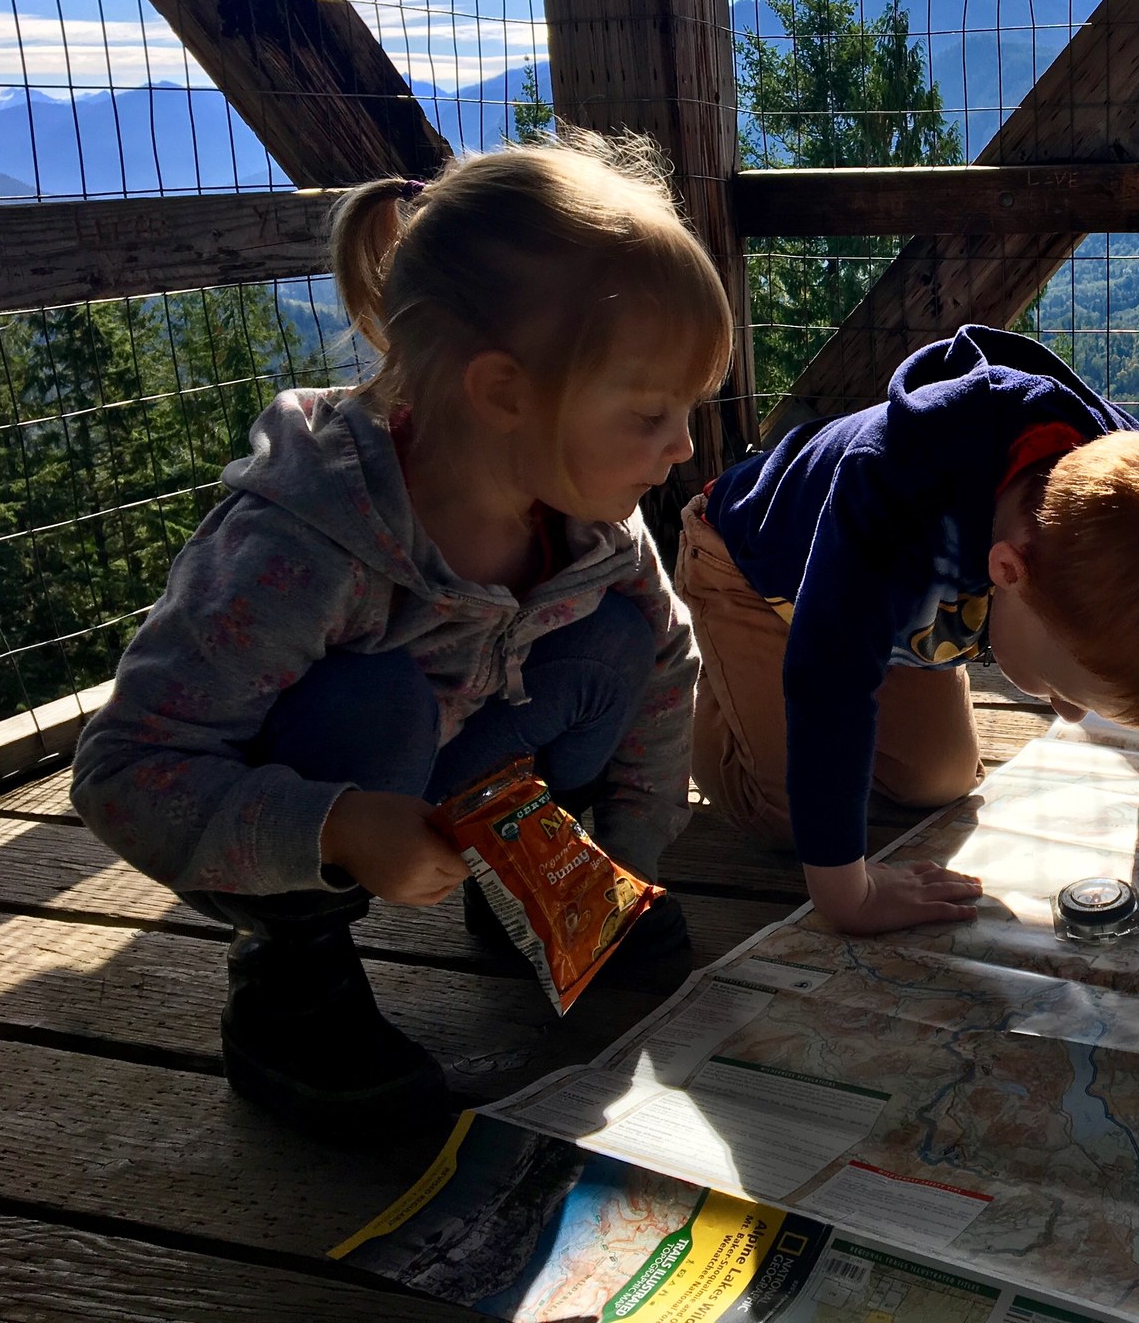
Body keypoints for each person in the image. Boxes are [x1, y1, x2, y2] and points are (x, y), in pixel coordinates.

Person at [70, 131, 731, 1139]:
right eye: (649, 413)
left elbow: (665, 668)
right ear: (503, 392)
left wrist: (623, 863)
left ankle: (529, 885)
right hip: (303, 807)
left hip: (461, 765)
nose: (682, 445)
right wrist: (334, 826)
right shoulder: (303, 544)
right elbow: (122, 772)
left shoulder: (587, 518)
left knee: (617, 643)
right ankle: (293, 990)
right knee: (371, 703)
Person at [680, 325, 1139, 937]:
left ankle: (827, 677)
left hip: (887, 617)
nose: (1069, 714)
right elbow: (827, 681)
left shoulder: (1117, 496)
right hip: (754, 570)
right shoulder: (891, 485)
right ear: (1008, 571)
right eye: (1058, 688)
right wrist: (848, 894)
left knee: (937, 782)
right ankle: (687, 694)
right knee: (785, 815)